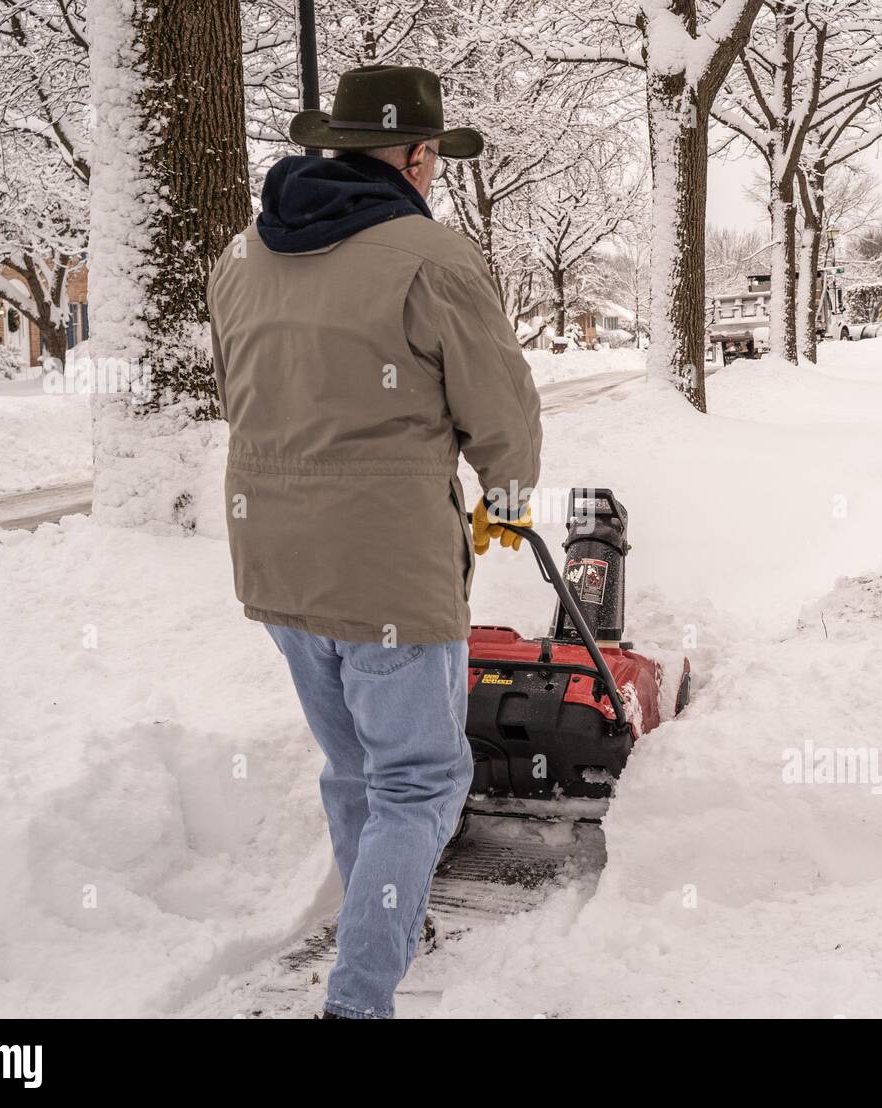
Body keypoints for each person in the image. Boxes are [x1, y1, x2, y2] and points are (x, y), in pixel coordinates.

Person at [206, 64, 542, 1019]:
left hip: (273, 561)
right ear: (418, 155)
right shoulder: (430, 256)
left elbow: (240, 392)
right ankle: (360, 998)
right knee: (420, 782)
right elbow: (500, 411)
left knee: (354, 767)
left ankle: (387, 917)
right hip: (388, 571)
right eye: (433, 159)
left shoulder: (241, 255)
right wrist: (508, 498)